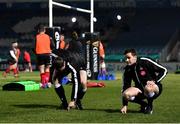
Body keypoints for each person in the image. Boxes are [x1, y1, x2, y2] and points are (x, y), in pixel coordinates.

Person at [120, 48, 168, 114]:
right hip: (140, 90)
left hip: (154, 88)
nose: (126, 60)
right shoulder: (127, 70)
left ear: (135, 57)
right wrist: (125, 105)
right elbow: (125, 87)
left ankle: (149, 106)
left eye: (128, 58)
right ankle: (144, 104)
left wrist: (155, 81)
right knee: (125, 94)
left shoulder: (145, 61)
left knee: (147, 88)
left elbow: (164, 70)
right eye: (125, 58)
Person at [67, 31, 87, 109]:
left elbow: (67, 53)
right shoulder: (79, 42)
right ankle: (76, 101)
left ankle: (76, 101)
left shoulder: (72, 43)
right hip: (79, 63)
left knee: (78, 83)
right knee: (82, 84)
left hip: (78, 63)